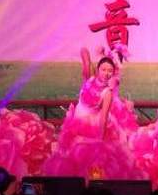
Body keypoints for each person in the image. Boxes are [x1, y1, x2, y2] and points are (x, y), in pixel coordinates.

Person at [42, 44, 141, 181]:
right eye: (103, 69)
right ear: (98, 70)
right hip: (76, 124)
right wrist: (90, 56)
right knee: (70, 158)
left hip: (92, 128)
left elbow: (104, 117)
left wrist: (100, 140)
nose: (106, 73)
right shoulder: (89, 80)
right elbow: (84, 52)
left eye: (110, 71)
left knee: (90, 161)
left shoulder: (107, 93)